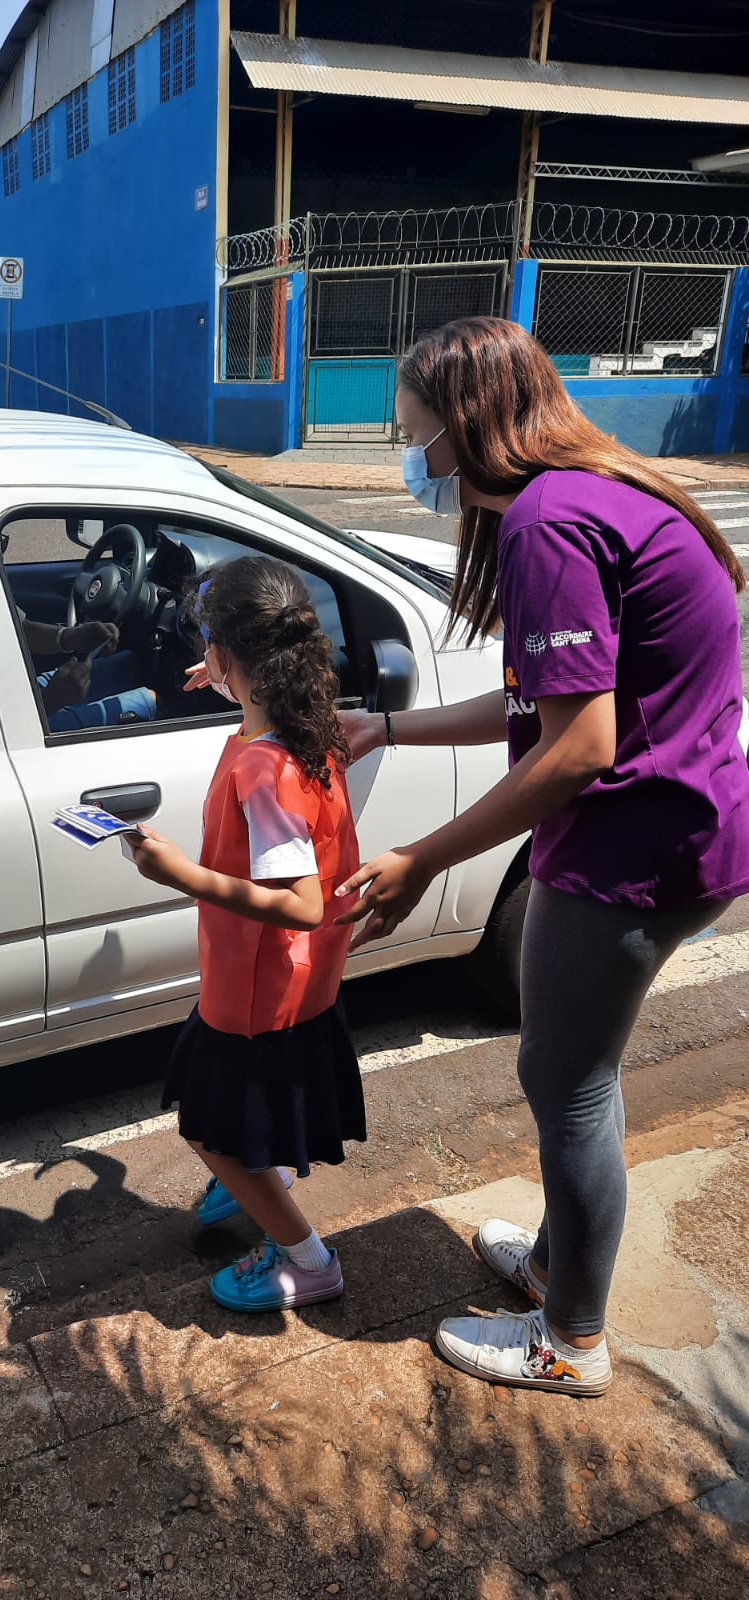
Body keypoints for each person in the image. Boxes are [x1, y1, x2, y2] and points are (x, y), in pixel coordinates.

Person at [334, 316, 749, 1395]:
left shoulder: (548, 526)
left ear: (464, 429)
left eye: (412, 431)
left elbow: (579, 748)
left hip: (631, 850)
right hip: (685, 824)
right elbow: (540, 700)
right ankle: (561, 1264)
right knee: (574, 1078)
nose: (406, 455)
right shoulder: (589, 491)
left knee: (566, 1085)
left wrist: (421, 855)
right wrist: (390, 728)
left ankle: (572, 1338)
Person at [127, 555, 365, 1312]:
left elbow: (299, 900)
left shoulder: (262, 768)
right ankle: (264, 1180)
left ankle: (307, 1259)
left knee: (211, 1132)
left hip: (257, 990)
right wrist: (228, 676)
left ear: (231, 654)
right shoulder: (305, 727)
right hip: (295, 980)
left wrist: (178, 875)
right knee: (246, 1117)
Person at [19, 614, 156, 731]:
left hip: (23, 690)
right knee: (152, 701)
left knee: (130, 665)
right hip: (22, 725)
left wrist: (69, 636)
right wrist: (49, 703)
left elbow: (19, 629)